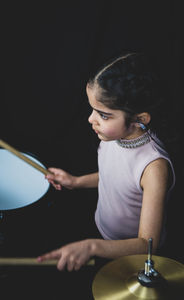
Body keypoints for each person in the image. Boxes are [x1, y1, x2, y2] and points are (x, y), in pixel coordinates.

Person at [37, 52, 176, 272]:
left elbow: (148, 245)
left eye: (103, 115)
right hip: (102, 235)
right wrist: (76, 181)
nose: (91, 119)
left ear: (139, 119)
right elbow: (115, 176)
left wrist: (93, 247)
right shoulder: (113, 136)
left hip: (131, 258)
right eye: (93, 110)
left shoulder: (153, 168)